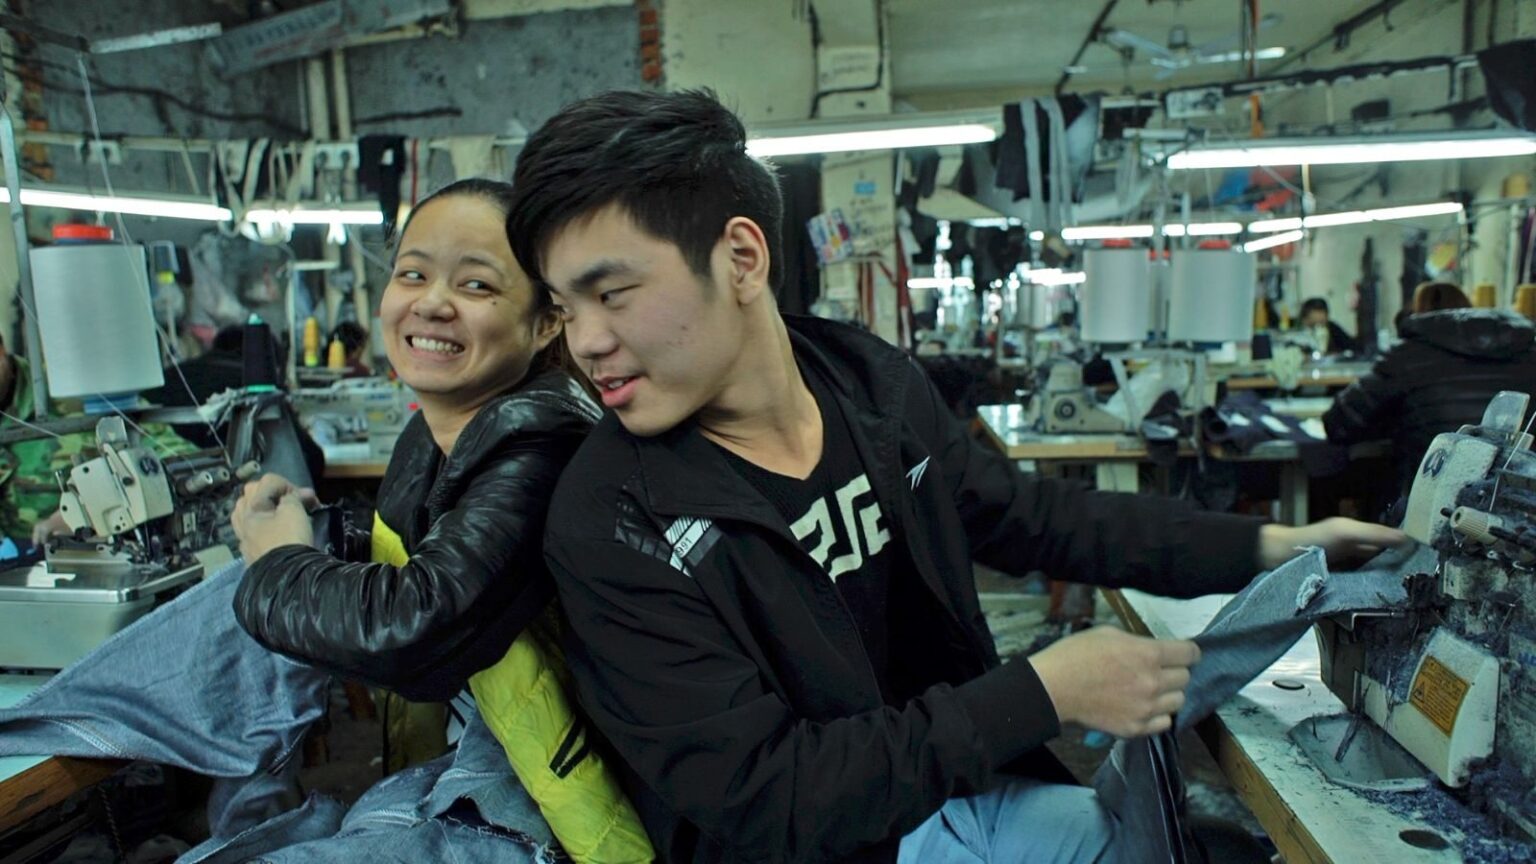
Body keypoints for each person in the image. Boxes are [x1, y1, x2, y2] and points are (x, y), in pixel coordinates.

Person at [508, 89, 1404, 864]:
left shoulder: (869, 391)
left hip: (950, 792)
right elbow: (769, 795)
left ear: (741, 258)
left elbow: (1034, 516)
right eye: (563, 307)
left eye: (611, 294)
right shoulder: (613, 521)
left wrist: (1274, 546)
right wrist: (1041, 693)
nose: (586, 342)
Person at [228, 178, 650, 861]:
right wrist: (331, 535)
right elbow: (433, 548)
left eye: (476, 285)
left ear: (546, 322)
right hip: (478, 755)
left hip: (549, 801)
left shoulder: (545, 443)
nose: (431, 302)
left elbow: (419, 628)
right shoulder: (431, 435)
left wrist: (280, 563)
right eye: (413, 274)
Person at [1325, 280, 1536, 495]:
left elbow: (1338, 423)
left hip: (1429, 497)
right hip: (1521, 502)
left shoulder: (1407, 355)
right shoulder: (1528, 353)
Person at [0, 332, 196, 547]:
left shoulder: (73, 391)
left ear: (1, 351)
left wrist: (90, 510)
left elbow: (180, 461)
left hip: (107, 547)